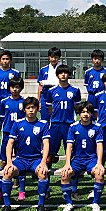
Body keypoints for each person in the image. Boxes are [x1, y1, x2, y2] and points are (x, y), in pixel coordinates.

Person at [0, 97, 50, 211]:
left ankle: (41, 205)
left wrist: (43, 161)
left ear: (37, 109)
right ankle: (7, 205)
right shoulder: (17, 124)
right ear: (24, 110)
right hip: (21, 160)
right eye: (28, 108)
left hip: (36, 159)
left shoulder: (43, 124)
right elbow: (9, 143)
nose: (31, 110)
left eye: (33, 107)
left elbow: (46, 144)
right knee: (7, 172)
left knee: (43, 172)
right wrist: (9, 162)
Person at [59, 102, 105, 211]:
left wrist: (99, 163)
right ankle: (68, 203)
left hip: (91, 159)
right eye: (83, 112)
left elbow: (99, 146)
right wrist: (67, 163)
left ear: (91, 114)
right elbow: (69, 146)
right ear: (79, 113)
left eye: (88, 112)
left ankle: (95, 203)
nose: (85, 114)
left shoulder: (97, 127)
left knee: (99, 174)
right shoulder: (73, 127)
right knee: (65, 174)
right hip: (77, 160)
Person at [45, 64, 82, 198]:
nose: (63, 75)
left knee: (73, 156)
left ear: (69, 75)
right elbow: (50, 109)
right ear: (57, 75)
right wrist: (56, 118)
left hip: (70, 126)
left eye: (66, 73)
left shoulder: (75, 90)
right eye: (61, 73)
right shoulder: (51, 91)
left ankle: (74, 189)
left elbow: (77, 107)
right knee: (49, 156)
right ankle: (46, 187)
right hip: (55, 126)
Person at [0, 77, 26, 201]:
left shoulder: (24, 102)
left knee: (21, 160)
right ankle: (0, 190)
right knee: (4, 161)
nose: (15, 89)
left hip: (21, 134)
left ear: (21, 88)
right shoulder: (4, 102)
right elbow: (1, 118)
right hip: (7, 133)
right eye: (13, 87)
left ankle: (22, 190)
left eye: (17, 87)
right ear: (9, 88)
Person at [0, 50, 20, 129]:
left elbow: (18, 86)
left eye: (7, 59)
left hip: (11, 100)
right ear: (0, 60)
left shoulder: (15, 73)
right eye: (3, 59)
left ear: (10, 60)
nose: (5, 61)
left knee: (11, 122)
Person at [37, 47, 61, 123]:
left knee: (57, 119)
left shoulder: (62, 70)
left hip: (57, 96)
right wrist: (38, 101)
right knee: (44, 120)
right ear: (49, 57)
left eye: (56, 57)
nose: (54, 59)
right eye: (52, 57)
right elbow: (40, 86)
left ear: (59, 58)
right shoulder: (43, 70)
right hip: (45, 97)